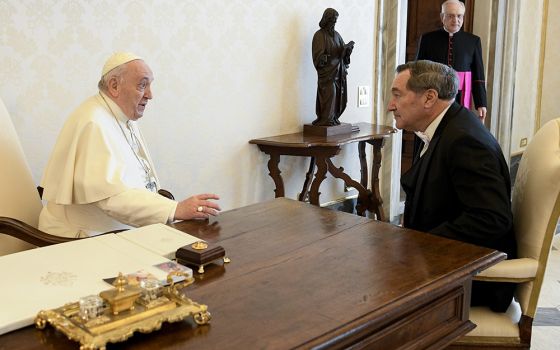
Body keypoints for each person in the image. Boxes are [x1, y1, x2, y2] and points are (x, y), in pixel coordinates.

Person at [39, 52, 220, 237]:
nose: (150, 95)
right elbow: (112, 197)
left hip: (117, 232)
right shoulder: (93, 122)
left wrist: (168, 208)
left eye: (150, 85)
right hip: (81, 238)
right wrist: (175, 209)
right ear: (115, 85)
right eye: (142, 85)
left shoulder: (123, 117)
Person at [388, 60, 517, 312]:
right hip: (442, 262)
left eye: (397, 95)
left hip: (471, 279)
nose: (390, 105)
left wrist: (419, 247)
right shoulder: (447, 127)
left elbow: (491, 218)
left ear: (429, 98)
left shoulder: (464, 141)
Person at [416, 0, 487, 122]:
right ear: (442, 17)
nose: (455, 20)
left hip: (460, 97)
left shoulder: (473, 41)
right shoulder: (427, 39)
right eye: (450, 16)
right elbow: (418, 70)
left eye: (459, 16)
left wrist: (481, 103)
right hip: (434, 95)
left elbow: (478, 75)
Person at [311, 8, 354, 126]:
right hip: (327, 75)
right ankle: (326, 119)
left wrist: (347, 51)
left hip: (339, 72)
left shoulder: (337, 35)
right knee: (331, 94)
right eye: (332, 21)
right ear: (326, 20)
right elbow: (318, 57)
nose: (334, 24)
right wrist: (325, 58)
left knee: (339, 97)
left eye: (335, 21)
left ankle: (334, 118)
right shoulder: (319, 35)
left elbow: (343, 54)